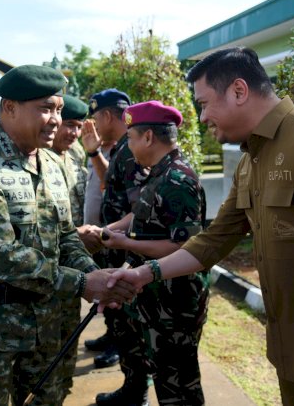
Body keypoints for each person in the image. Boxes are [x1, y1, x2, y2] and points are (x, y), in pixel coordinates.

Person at [109, 47, 294, 406]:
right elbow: (212, 242)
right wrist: (145, 274)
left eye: (204, 104)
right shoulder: (250, 161)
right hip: (288, 359)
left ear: (238, 91)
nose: (202, 117)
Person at [0, 64, 136, 405]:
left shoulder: (51, 163)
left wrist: (96, 277)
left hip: (45, 327)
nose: (56, 120)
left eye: (59, 110)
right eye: (45, 108)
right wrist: (81, 284)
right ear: (10, 108)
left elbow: (65, 236)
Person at [99, 100, 209, 405]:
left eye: (131, 138)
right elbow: (141, 215)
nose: (129, 146)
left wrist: (126, 244)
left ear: (148, 137)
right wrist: (111, 229)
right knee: (165, 378)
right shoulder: (159, 173)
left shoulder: (178, 180)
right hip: (158, 299)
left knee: (179, 387)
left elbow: (185, 246)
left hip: (176, 304)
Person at [83, 88, 152, 404]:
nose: (94, 122)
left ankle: (136, 391)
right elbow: (110, 184)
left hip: (127, 252)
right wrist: (95, 152)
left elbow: (140, 209)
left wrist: (109, 232)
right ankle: (132, 386)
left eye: (96, 116)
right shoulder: (123, 147)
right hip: (116, 247)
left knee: (131, 327)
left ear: (108, 116)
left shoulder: (132, 148)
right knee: (122, 324)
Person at [50, 94, 98, 399]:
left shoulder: (75, 155)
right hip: (44, 270)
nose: (73, 133)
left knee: (68, 337)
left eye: (79, 126)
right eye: (69, 125)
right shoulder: (36, 157)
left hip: (73, 264)